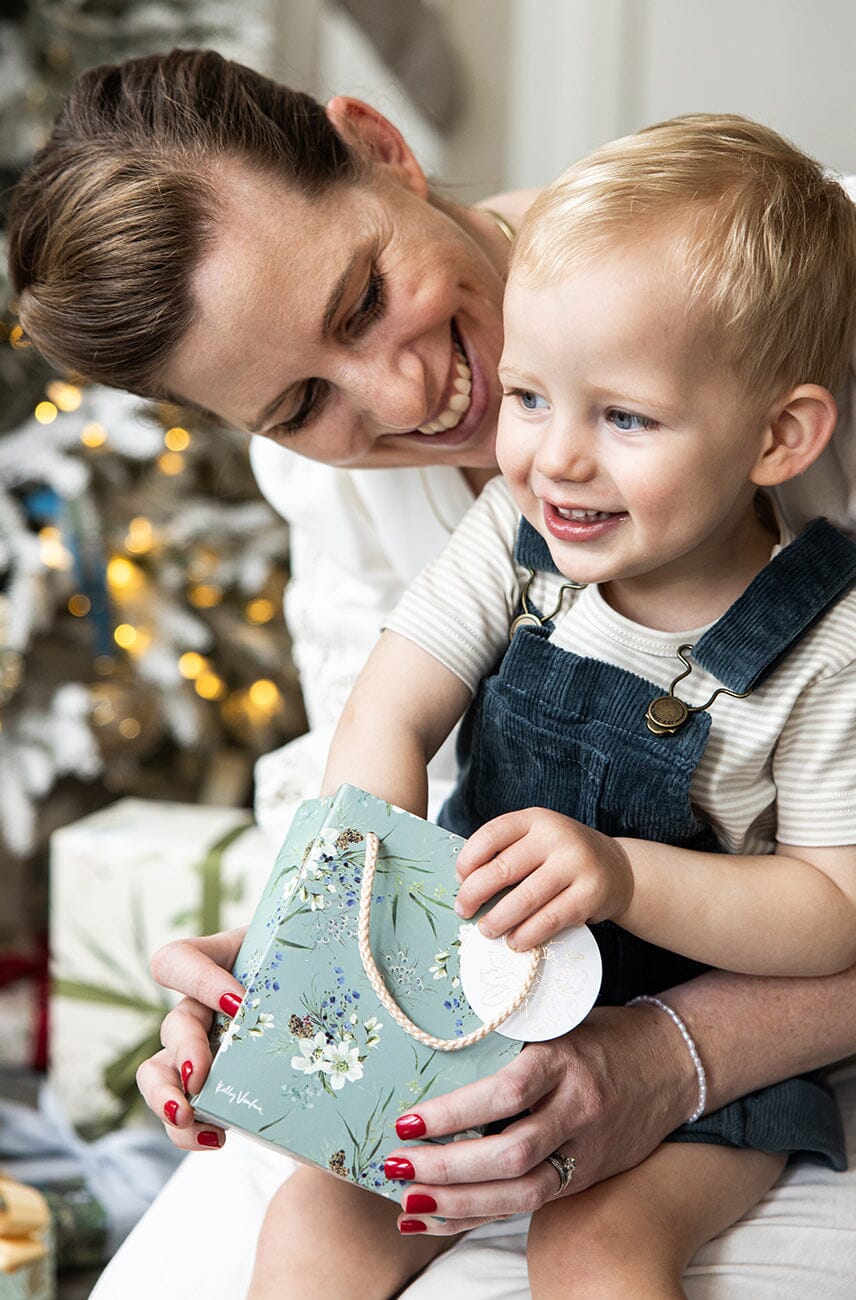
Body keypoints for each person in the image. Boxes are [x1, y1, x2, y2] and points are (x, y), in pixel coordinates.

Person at [6, 49, 856, 1296]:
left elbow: (830, 895)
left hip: (764, 1020)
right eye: (300, 400)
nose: (404, 395)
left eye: (360, 300)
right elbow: (371, 738)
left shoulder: (784, 286)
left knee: (598, 1254)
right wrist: (313, 951)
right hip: (501, 984)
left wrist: (664, 1045)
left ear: (383, 147)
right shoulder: (491, 521)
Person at [247, 113, 856, 1299]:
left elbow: (833, 911)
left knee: (597, 1252)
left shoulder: (826, 645)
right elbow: (388, 714)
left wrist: (623, 875)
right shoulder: (510, 543)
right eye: (529, 395)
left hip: (703, 1032)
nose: (553, 460)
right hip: (476, 999)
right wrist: (339, 920)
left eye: (622, 416)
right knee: (312, 1221)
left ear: (779, 436)